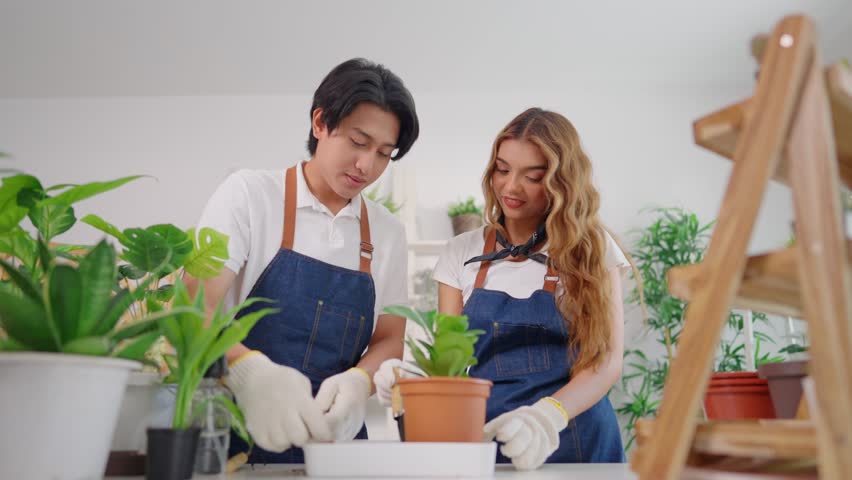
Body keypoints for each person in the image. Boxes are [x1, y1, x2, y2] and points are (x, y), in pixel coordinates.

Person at [184, 58, 419, 464]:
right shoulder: (249, 195)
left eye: (384, 152)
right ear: (320, 123)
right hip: (233, 441)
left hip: (335, 449)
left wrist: (358, 382)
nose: (368, 166)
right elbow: (191, 309)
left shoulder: (387, 232)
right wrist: (250, 374)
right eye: (358, 142)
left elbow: (389, 339)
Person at [376, 107, 636, 469]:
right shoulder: (460, 254)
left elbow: (606, 362)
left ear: (562, 182)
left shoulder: (591, 249)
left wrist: (548, 416)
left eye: (533, 176)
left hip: (575, 437)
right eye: (502, 169)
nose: (511, 187)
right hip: (492, 440)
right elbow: (449, 363)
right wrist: (410, 382)